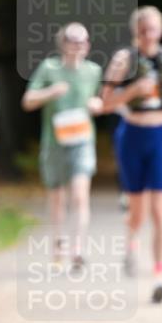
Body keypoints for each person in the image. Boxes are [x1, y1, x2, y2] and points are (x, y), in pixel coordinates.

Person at [101, 6, 162, 303]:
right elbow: (106, 102)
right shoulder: (123, 59)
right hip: (132, 135)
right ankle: (131, 243)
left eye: (152, 29)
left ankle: (160, 275)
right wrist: (131, 90)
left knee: (161, 209)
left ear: (161, 30)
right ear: (135, 31)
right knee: (137, 211)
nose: (148, 35)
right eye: (142, 29)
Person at [22, 22, 102, 269]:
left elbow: (101, 101)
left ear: (87, 45)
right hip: (54, 142)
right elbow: (28, 101)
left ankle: (78, 250)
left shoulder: (94, 71)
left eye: (82, 41)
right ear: (63, 43)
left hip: (82, 140)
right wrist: (51, 92)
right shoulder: (49, 68)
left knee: (80, 195)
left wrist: (97, 105)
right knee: (57, 198)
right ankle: (59, 247)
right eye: (73, 41)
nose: (78, 46)